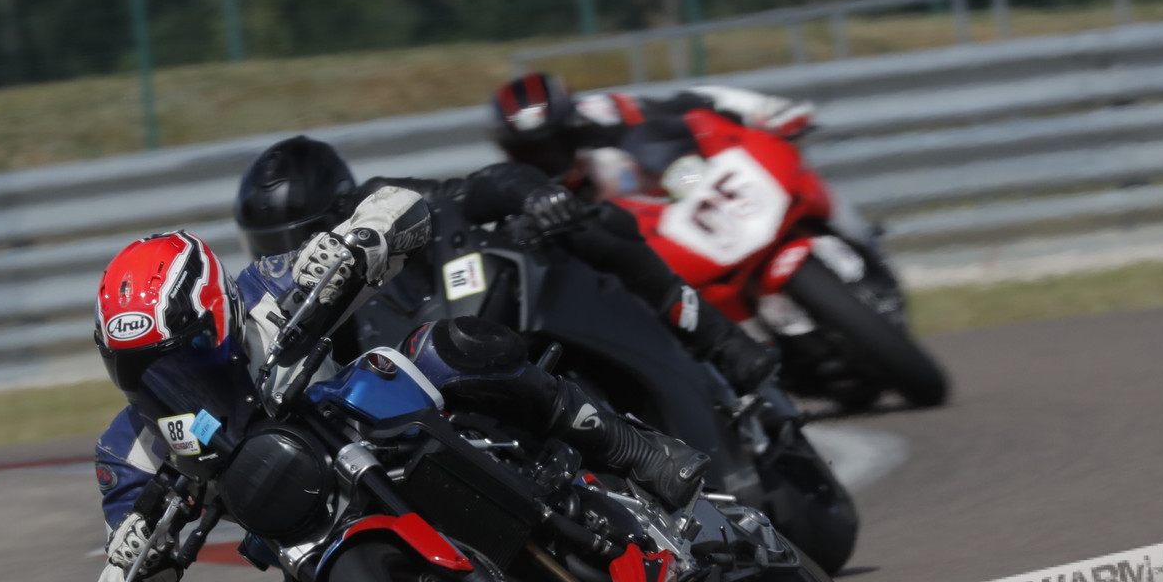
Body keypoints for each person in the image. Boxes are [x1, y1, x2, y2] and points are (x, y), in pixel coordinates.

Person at [89, 196, 709, 582]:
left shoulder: (268, 289)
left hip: (382, 432)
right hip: (312, 552)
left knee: (447, 347)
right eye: (140, 370)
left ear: (220, 315)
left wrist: (357, 242)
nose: (169, 381)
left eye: (185, 355)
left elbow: (400, 205)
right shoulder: (127, 451)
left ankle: (633, 449)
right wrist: (134, 565)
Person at [233, 136, 780, 398]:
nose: (294, 254)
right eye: (270, 246)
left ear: (341, 210)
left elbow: (477, 189)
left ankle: (718, 340)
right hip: (449, 404)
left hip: (500, 321)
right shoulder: (307, 322)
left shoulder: (389, 203)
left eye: (300, 236)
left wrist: (535, 194)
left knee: (591, 224)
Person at [489, 71, 876, 247]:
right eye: (527, 152)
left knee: (788, 174)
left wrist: (762, 109)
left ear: (570, 126)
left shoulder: (602, 115)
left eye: (548, 145)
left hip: (687, 193)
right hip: (649, 248)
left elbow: (691, 101)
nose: (542, 159)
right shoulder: (521, 192)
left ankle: (859, 238)